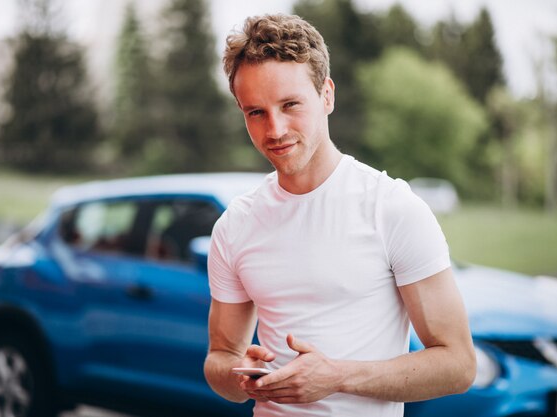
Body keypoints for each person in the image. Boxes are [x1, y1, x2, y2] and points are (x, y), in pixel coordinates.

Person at [203, 13, 476, 417]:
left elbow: (458, 365)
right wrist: (240, 376)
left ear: (327, 95)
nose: (274, 129)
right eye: (255, 112)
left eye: (290, 104)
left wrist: (336, 377)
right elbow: (220, 357)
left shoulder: (392, 209)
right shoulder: (235, 225)